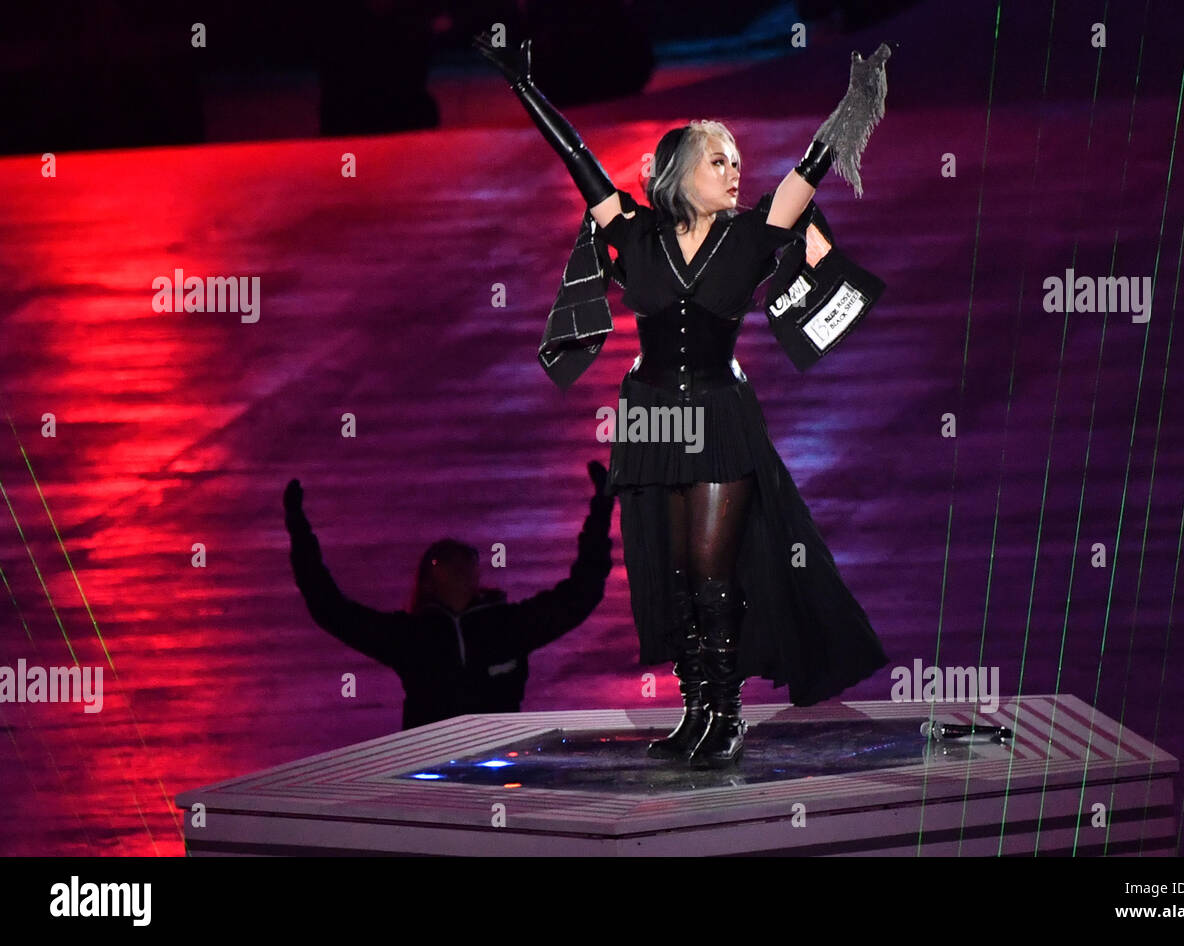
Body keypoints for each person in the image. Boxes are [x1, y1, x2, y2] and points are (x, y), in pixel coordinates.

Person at [474, 33, 890, 768]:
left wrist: (854, 104)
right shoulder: (634, 234)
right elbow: (578, 162)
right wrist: (524, 89)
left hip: (721, 416)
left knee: (708, 564)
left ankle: (727, 714)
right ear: (677, 174)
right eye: (717, 160)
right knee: (670, 570)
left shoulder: (756, 234)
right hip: (652, 415)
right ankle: (695, 708)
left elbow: (811, 168)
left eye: (735, 159)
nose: (733, 170)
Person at [283, 460, 614, 730]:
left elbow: (580, 594)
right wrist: (300, 533)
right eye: (443, 559)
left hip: (501, 768)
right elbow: (331, 609)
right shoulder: (411, 639)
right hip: (433, 777)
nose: (459, 566)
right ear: (426, 580)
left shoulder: (507, 626)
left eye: (467, 559)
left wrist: (601, 510)